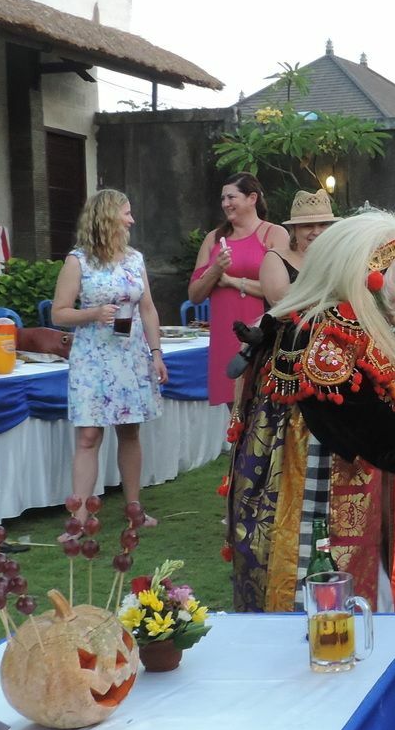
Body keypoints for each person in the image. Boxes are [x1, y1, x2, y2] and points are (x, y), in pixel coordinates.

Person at [224, 212, 395, 611]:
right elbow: (365, 424)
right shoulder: (321, 335)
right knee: (320, 592)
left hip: (358, 478)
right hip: (314, 487)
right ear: (367, 278)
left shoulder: (356, 321)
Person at [52, 189, 166, 514]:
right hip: (92, 357)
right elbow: (58, 313)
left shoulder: (134, 258)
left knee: (130, 431)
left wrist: (156, 352)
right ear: (107, 218)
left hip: (130, 354)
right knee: (89, 435)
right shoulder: (78, 261)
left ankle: (134, 509)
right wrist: (92, 313)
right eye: (126, 213)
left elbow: (148, 309)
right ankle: (79, 517)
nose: (132, 219)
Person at [187, 174, 288, 406]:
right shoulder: (214, 238)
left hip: (262, 330)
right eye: (223, 198)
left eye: (232, 197)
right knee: (234, 405)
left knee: (264, 403)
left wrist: (233, 281)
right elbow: (194, 295)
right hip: (226, 331)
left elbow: (284, 290)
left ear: (252, 198)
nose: (225, 203)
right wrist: (215, 270)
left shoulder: (274, 234)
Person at [259, 189, 338, 306]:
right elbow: (278, 301)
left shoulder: (338, 256)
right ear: (294, 230)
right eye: (307, 226)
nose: (316, 231)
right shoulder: (275, 257)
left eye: (323, 225)